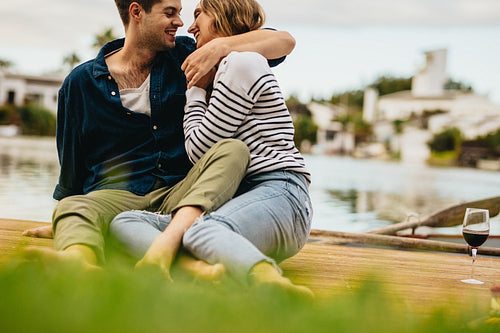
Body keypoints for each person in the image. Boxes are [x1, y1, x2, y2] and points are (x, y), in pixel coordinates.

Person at [22, 0, 295, 277]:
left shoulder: (191, 54)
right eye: (170, 13)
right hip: (118, 198)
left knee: (232, 151)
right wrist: (70, 219)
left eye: (179, 12)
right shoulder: (80, 83)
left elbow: (283, 42)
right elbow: (71, 172)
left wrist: (218, 46)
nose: (180, 22)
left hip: (185, 193)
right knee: (73, 205)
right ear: (137, 12)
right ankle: (79, 260)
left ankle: (171, 256)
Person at [110, 0, 313, 295]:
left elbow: (199, 150)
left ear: (220, 16)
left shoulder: (242, 63)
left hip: (280, 192)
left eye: (197, 15)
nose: (189, 26)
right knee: (127, 221)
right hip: (237, 200)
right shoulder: (223, 71)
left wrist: (194, 90)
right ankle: (202, 270)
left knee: (199, 231)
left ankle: (269, 281)